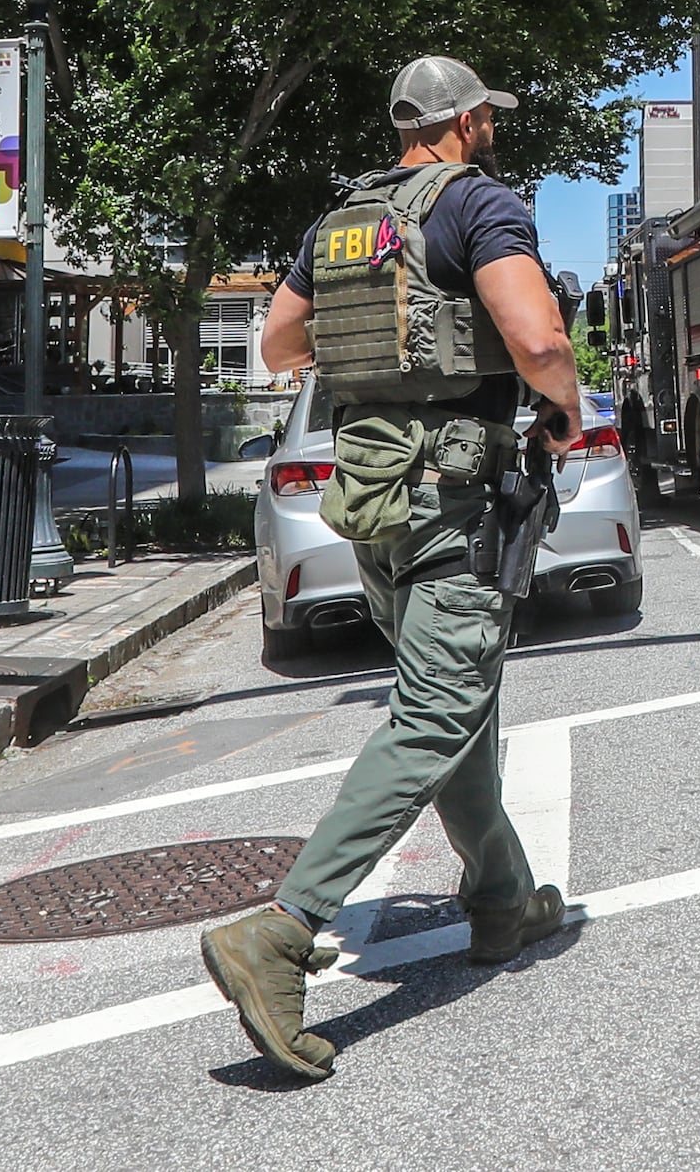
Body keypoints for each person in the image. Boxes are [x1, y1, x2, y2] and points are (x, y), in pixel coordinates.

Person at [202, 57, 583, 1083]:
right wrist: (568, 407)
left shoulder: (339, 223)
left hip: (368, 506)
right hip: (454, 500)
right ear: (465, 122)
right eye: (485, 117)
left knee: (456, 709)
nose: (490, 128)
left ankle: (503, 898)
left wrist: (380, 349)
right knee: (432, 716)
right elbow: (539, 337)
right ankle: (281, 930)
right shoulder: (480, 203)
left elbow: (282, 343)